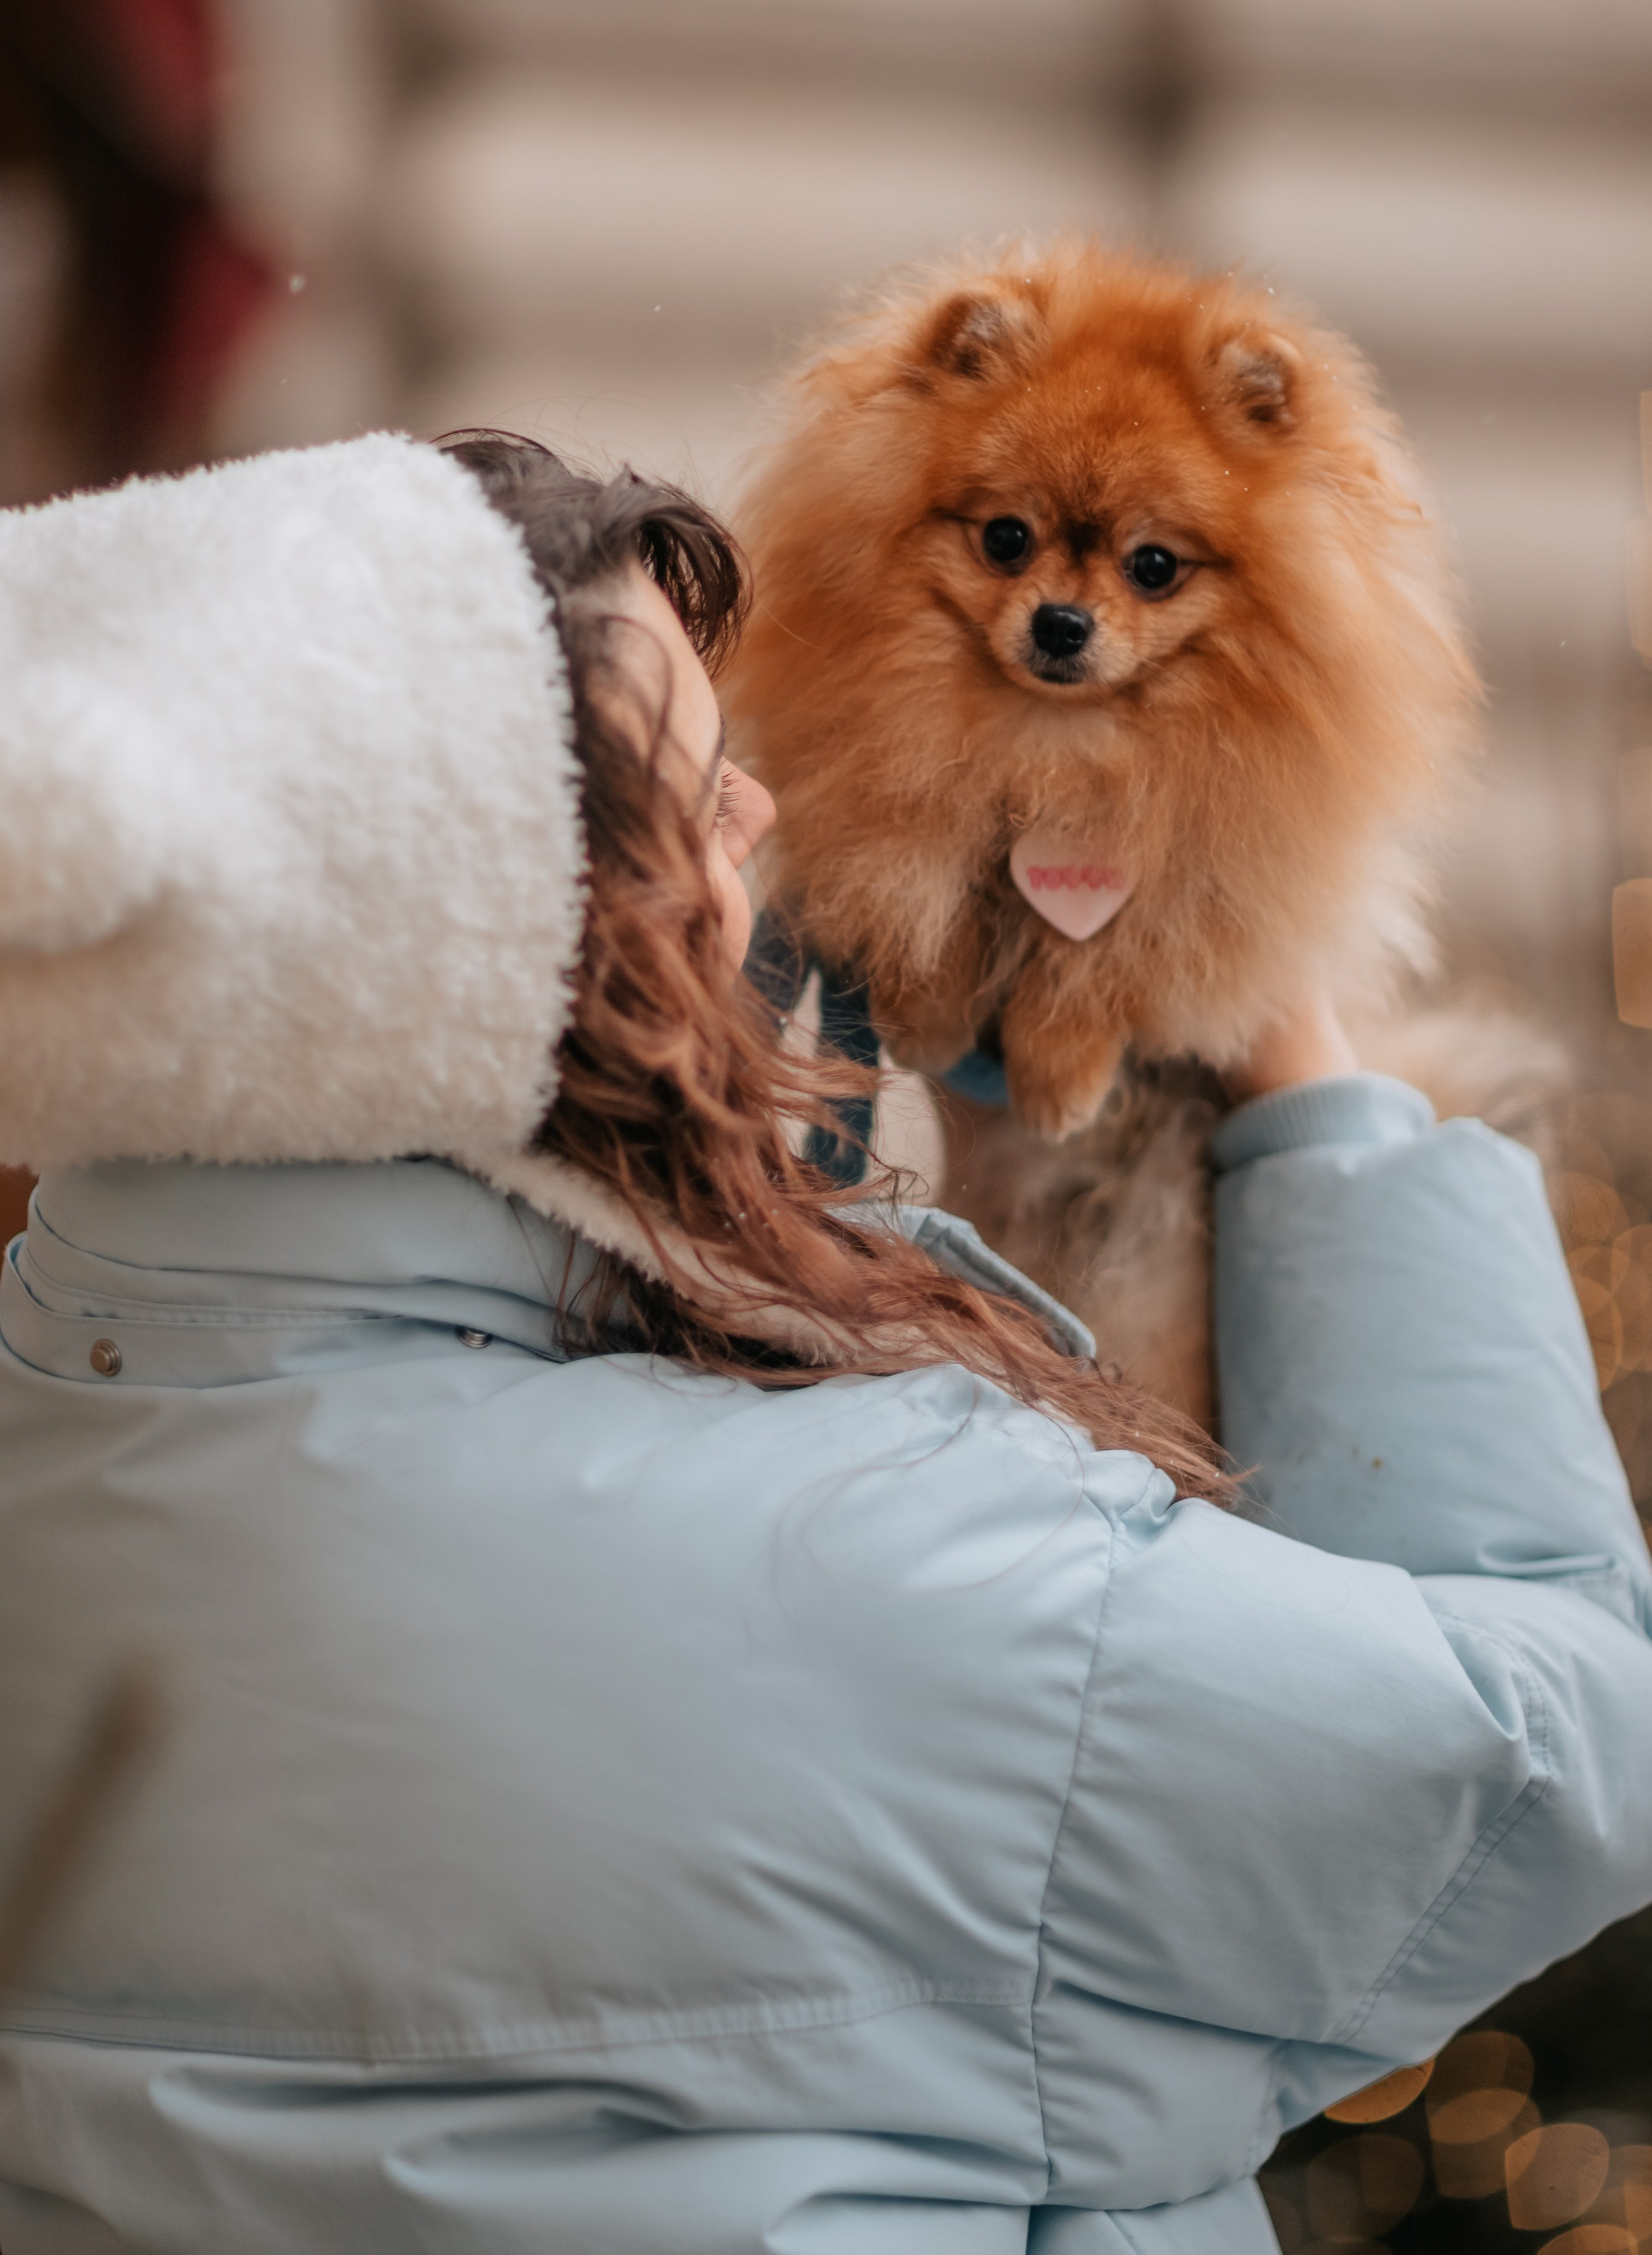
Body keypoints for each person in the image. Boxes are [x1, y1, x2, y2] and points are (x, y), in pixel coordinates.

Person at [0, 429, 1647, 2255]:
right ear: (475, 933)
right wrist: (1302, 1068)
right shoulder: (908, 1564)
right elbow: (1553, 1737)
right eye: (684, 803)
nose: (762, 823)